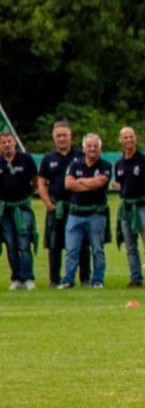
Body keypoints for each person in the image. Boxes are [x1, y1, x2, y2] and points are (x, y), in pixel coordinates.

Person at [36, 121, 89, 288]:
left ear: (70, 136)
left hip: (78, 207)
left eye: (64, 135)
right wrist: (48, 203)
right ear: (54, 138)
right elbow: (41, 183)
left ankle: (85, 278)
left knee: (82, 243)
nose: (62, 139)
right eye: (58, 136)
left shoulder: (81, 156)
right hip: (56, 207)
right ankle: (54, 279)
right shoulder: (48, 159)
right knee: (54, 244)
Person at [61, 133, 113, 290]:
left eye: (95, 146)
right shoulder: (75, 164)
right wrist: (90, 183)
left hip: (96, 214)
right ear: (84, 148)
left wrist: (80, 181)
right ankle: (68, 280)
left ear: (100, 149)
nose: (92, 149)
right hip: (75, 214)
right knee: (71, 250)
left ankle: (97, 280)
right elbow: (68, 185)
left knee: (97, 250)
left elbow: (100, 183)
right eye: (89, 146)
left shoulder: (105, 166)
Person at [112, 126, 145, 288]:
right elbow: (122, 185)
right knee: (130, 244)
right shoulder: (118, 164)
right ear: (120, 140)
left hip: (143, 205)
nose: (129, 140)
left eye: (131, 137)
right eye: (125, 137)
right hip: (126, 206)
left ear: (136, 138)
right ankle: (135, 278)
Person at [0, 129, 38, 289]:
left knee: (24, 244)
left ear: (14, 142)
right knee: (11, 245)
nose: (7, 145)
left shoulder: (26, 159)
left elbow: (35, 181)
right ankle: (16, 278)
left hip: (22, 208)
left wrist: (28, 195)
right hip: (5, 210)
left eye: (9, 141)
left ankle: (28, 277)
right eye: (3, 142)